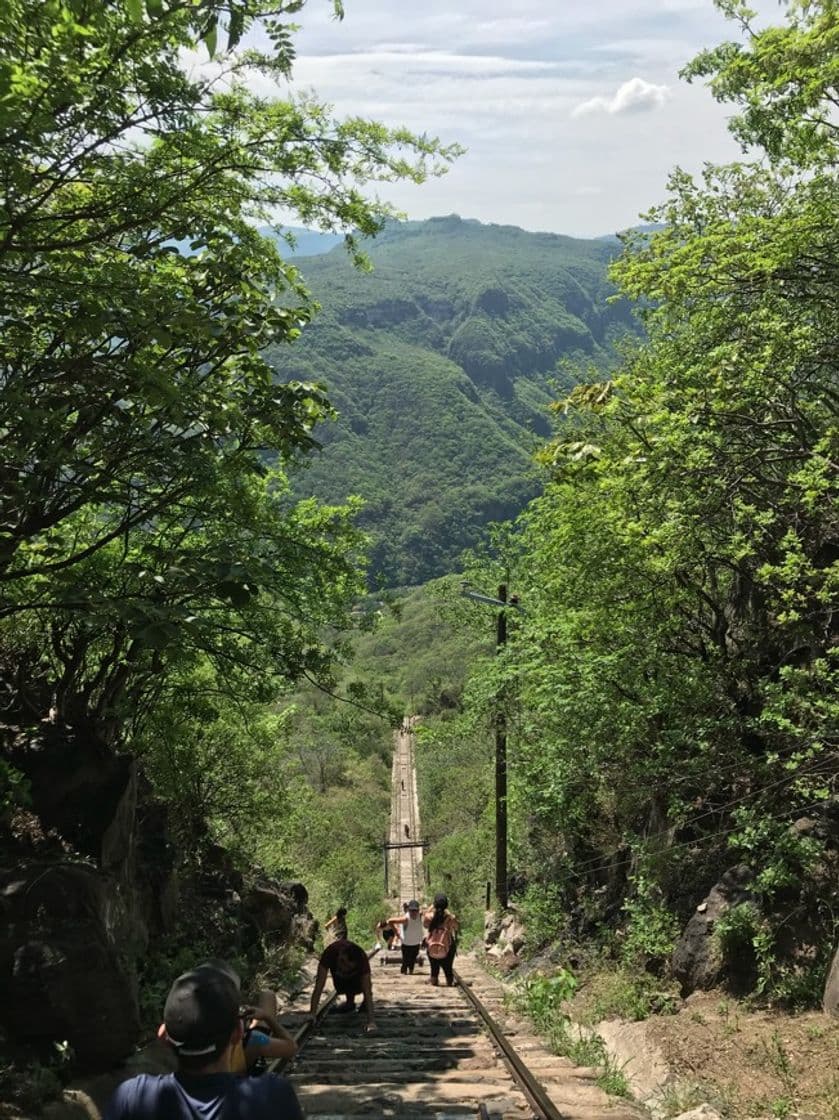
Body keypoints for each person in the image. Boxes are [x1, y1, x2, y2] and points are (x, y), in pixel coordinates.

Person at [105, 964, 303, 1120]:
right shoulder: (273, 1095)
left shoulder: (132, 1098)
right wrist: (268, 1018)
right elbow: (290, 1047)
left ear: (163, 1036)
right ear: (237, 1033)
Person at [308, 936, 377, 1033]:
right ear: (341, 954)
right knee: (342, 982)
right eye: (343, 962)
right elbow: (319, 985)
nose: (345, 967)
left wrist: (371, 1021)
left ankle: (357, 1003)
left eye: (349, 966)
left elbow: (367, 990)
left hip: (355, 978)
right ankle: (349, 1003)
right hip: (339, 978)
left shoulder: (362, 960)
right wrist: (312, 1013)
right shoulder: (330, 953)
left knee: (362, 986)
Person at [423, 893, 459, 987]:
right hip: (447, 946)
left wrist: (431, 907)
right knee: (448, 968)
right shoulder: (450, 918)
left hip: (432, 946)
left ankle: (434, 980)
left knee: (434, 968)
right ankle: (449, 982)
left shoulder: (429, 917)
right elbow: (456, 927)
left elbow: (425, 925)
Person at [387, 899, 424, 974]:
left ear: (418, 910)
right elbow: (390, 921)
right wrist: (396, 932)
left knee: (413, 958)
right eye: (411, 911)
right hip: (406, 943)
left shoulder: (420, 915)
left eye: (415, 910)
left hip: (416, 942)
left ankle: (410, 972)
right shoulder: (405, 919)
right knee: (406, 959)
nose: (413, 913)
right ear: (408, 910)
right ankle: (404, 971)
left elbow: (429, 910)